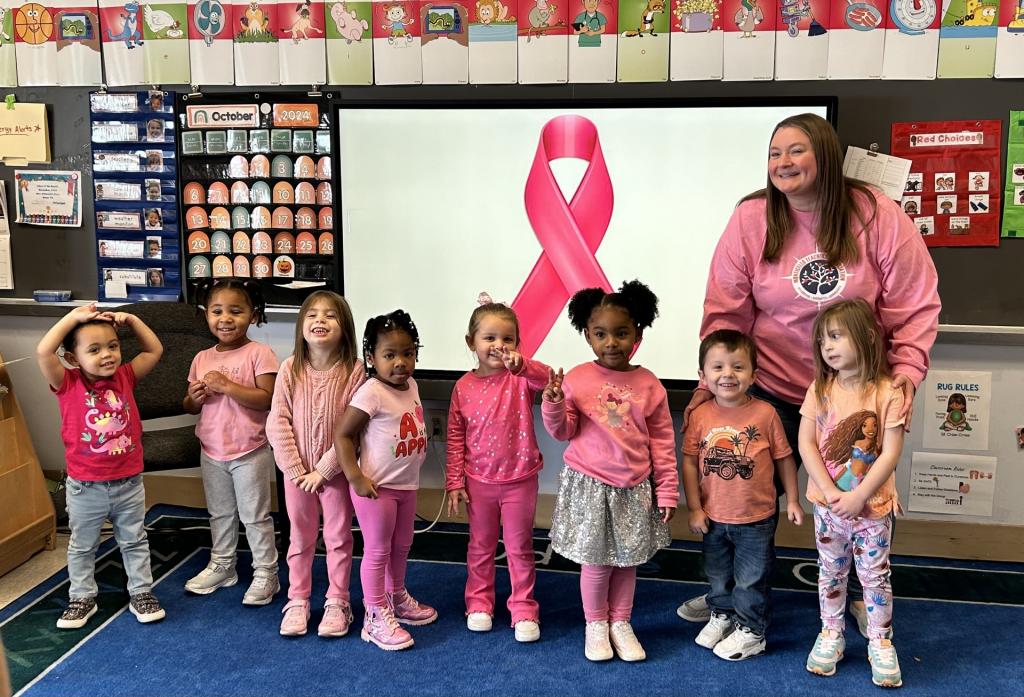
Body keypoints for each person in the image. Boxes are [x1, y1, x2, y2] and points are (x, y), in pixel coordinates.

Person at [677, 113, 940, 635]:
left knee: (860, 505)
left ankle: (866, 596)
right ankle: (729, 597)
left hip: (854, 396)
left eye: (795, 150)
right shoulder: (751, 217)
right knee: (741, 503)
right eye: (774, 153)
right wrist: (712, 387)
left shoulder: (877, 214)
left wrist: (905, 374)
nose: (782, 162)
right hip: (769, 389)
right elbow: (726, 311)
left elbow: (914, 304)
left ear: (825, 153)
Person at [542, 280, 678, 663]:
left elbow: (663, 442)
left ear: (638, 332)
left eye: (621, 333)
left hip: (634, 488)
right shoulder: (578, 378)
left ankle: (621, 622)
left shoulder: (649, 383)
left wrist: (667, 491)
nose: (611, 342)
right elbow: (563, 431)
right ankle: (596, 624)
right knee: (597, 561)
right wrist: (553, 403)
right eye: (601, 334)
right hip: (590, 486)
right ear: (587, 335)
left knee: (629, 561)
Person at [37, 304, 165, 629]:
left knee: (134, 540)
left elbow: (154, 349)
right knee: (82, 545)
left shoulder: (124, 377)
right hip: (85, 486)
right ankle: (81, 597)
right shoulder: (67, 383)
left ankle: (141, 592)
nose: (107, 355)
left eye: (112, 346)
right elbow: (43, 351)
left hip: (129, 483)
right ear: (72, 358)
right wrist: (73, 319)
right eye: (94, 349)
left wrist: (133, 321)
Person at [800, 299, 905, 688]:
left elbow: (890, 451)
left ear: (865, 336)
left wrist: (859, 497)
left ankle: (879, 640)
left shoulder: (887, 391)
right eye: (823, 339)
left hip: (872, 508)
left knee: (875, 577)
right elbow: (807, 444)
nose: (827, 346)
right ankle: (831, 633)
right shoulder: (820, 388)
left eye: (837, 336)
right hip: (828, 508)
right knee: (831, 573)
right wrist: (829, 492)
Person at [682, 330, 803, 661]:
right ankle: (722, 616)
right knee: (718, 573)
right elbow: (691, 463)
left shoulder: (766, 413)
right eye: (718, 367)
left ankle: (752, 630)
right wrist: (693, 507)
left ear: (754, 375)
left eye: (738, 367)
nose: (728, 375)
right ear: (702, 376)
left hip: (757, 518)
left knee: (753, 578)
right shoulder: (699, 415)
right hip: (713, 514)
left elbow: (784, 459)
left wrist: (792, 499)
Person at [446, 294, 549, 643]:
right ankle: (479, 603)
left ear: (517, 344)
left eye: (507, 339)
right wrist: (453, 482)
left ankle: (523, 608)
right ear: (471, 342)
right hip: (478, 482)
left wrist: (522, 365)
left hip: (521, 479)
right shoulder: (462, 387)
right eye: (489, 338)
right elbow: (456, 438)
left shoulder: (520, 379)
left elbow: (548, 380)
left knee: (520, 547)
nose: (498, 346)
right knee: (480, 547)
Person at [334, 310, 436, 651]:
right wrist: (355, 477)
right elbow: (343, 436)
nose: (400, 362)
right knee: (377, 551)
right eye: (389, 355)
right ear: (371, 358)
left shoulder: (413, 386)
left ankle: (396, 597)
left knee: (403, 545)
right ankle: (374, 615)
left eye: (408, 353)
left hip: (406, 486)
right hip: (376, 488)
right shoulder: (372, 392)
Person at [267, 291, 366, 638]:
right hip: (297, 477)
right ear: (301, 326)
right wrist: (296, 471)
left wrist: (323, 471)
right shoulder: (288, 369)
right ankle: (298, 598)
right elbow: (276, 422)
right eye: (312, 315)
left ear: (345, 328)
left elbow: (353, 430)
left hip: (335, 474)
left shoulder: (354, 371)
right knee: (300, 537)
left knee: (339, 537)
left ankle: (338, 600)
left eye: (330, 316)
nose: (320, 321)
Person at [183, 278, 280, 605]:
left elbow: (266, 399)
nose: (225, 318)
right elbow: (189, 405)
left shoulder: (260, 353)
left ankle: (266, 572)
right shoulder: (201, 358)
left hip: (249, 449)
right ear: (206, 315)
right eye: (217, 311)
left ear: (253, 316)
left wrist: (226, 385)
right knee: (220, 513)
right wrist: (194, 398)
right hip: (211, 450)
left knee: (254, 515)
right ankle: (224, 564)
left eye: (236, 311)